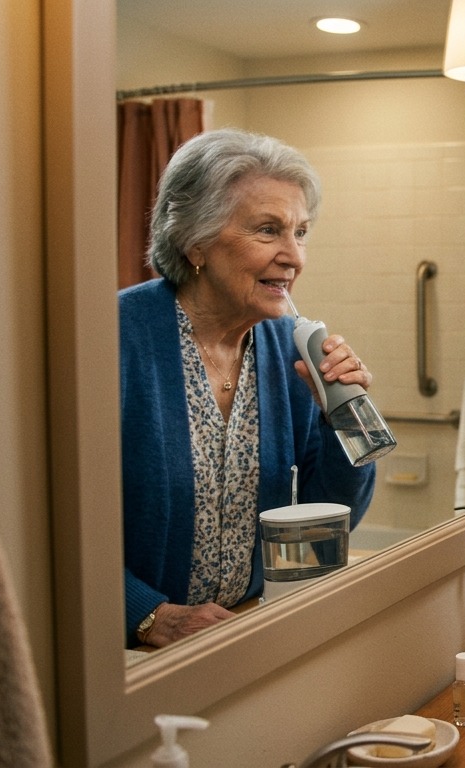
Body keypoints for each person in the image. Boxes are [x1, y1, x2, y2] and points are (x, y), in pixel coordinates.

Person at [120, 128, 376, 649]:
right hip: (127, 650)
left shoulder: (288, 345)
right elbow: (51, 524)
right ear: (195, 240)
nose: (294, 256)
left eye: (300, 232)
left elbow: (327, 518)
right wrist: (147, 614)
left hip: (243, 624)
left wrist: (342, 420)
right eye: (268, 230)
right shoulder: (116, 336)